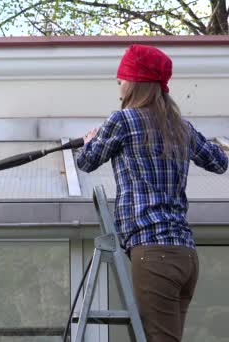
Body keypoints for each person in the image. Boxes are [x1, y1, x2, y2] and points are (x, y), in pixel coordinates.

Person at [76, 44, 228, 342]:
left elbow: (86, 161)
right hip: (185, 256)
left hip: (153, 254)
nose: (118, 84)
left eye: (121, 78)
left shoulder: (122, 121)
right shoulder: (181, 127)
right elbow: (220, 162)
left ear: (134, 82)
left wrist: (89, 140)